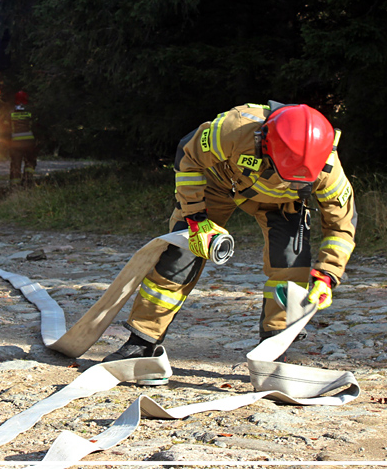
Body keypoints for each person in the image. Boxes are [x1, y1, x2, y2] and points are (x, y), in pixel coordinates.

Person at [104, 101, 357, 368]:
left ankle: (274, 350)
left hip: (280, 203)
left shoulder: (328, 167)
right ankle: (142, 342)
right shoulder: (234, 129)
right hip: (217, 184)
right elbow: (188, 156)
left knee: (291, 266)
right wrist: (196, 219)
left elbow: (341, 225)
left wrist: (328, 275)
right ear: (265, 145)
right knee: (179, 257)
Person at [8, 90, 37, 185]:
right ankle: (27, 181)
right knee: (30, 161)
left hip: (15, 144)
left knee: (15, 164)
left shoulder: (10, 113)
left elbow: (5, 128)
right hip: (29, 143)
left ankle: (14, 186)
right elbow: (36, 126)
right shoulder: (30, 112)